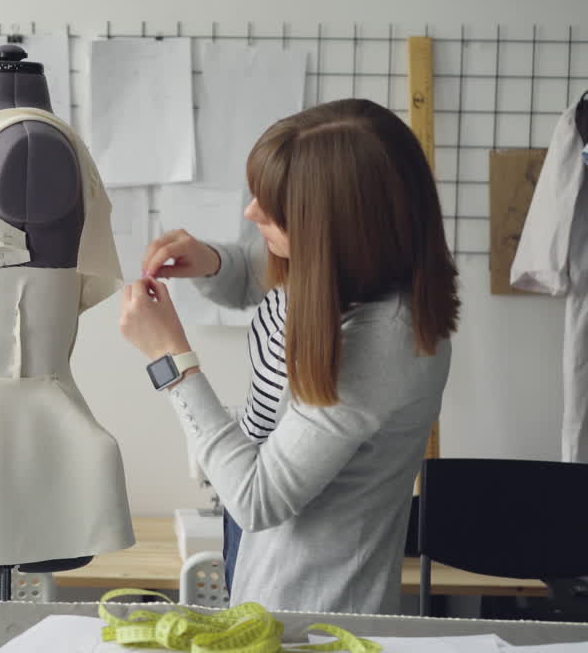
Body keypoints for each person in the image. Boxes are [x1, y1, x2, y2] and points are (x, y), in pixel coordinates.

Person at [119, 98, 461, 614]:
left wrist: (171, 360)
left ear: (333, 227)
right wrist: (210, 261)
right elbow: (252, 273)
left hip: (319, 612)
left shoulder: (383, 342)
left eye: (273, 209)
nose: (250, 212)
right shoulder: (333, 265)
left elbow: (260, 497)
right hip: (262, 569)